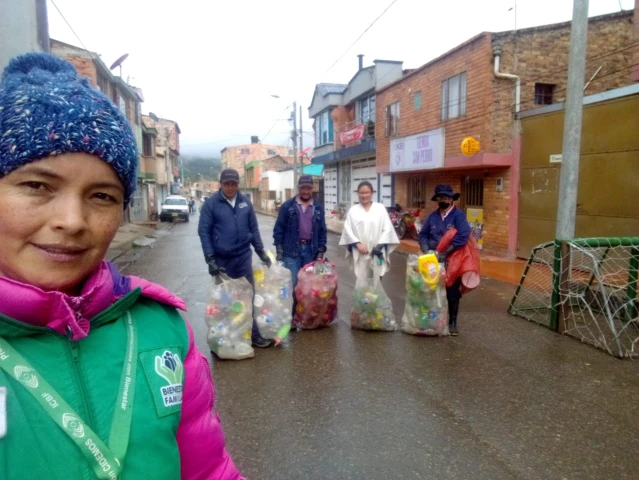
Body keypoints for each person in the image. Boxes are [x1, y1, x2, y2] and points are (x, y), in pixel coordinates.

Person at [0, 53, 243, 479]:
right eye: (37, 186)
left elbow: (209, 470)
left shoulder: (160, 328)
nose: (72, 221)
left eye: (102, 196)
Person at [198, 168, 273, 348]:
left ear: (238, 185)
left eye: (233, 184)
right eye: (227, 184)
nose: (230, 187)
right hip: (222, 261)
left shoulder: (245, 202)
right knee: (225, 300)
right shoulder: (212, 204)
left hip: (243, 257)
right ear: (221, 184)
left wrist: (261, 251)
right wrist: (210, 258)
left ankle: (253, 335)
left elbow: (253, 230)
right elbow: (204, 231)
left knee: (248, 296)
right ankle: (226, 337)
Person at [418, 184, 471, 336]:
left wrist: (447, 251)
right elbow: (423, 235)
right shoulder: (432, 216)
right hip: (432, 259)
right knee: (431, 289)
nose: (443, 200)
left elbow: (463, 235)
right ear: (437, 200)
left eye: (446, 197)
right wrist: (427, 249)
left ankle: (452, 322)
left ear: (451, 199)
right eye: (440, 198)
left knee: (452, 291)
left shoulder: (458, 216)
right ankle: (432, 320)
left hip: (452, 258)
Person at [273, 175, 327, 320]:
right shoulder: (287, 206)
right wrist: (279, 250)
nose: (306, 191)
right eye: (303, 188)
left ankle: (306, 317)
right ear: (298, 189)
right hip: (291, 252)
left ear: (312, 189)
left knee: (309, 286)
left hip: (310, 251)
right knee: (293, 284)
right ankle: (290, 317)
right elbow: (278, 230)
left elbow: (322, 231)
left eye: (308, 188)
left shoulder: (318, 208)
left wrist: (321, 251)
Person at [339, 181, 400, 279]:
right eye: (361, 193)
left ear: (372, 193)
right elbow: (347, 231)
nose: (364, 195)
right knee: (362, 284)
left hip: (377, 252)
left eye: (367, 192)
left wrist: (379, 246)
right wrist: (357, 244)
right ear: (358, 194)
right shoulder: (353, 211)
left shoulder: (380, 208)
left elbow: (387, 229)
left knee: (376, 283)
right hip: (360, 253)